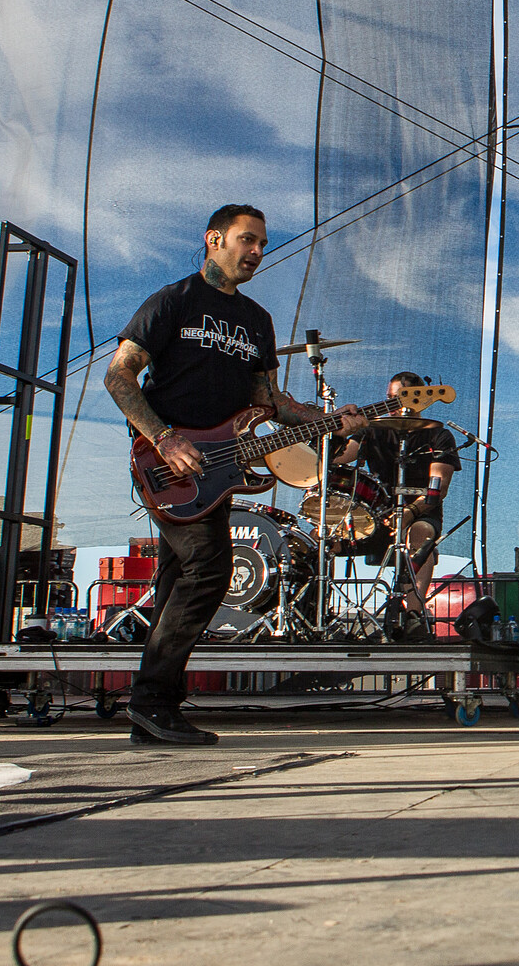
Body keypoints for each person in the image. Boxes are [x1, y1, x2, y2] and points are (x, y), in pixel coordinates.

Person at [105, 204, 367, 745]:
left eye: (262, 244)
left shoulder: (257, 321)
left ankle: (155, 712)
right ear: (214, 239)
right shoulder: (173, 301)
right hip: (169, 461)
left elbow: (269, 402)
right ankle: (152, 701)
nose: (256, 252)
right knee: (207, 570)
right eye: (247, 240)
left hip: (221, 469)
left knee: (181, 578)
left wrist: (330, 420)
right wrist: (164, 437)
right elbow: (120, 375)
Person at [338, 371, 460, 639]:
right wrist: (334, 430)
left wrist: (409, 512)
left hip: (420, 511)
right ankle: (313, 614)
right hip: (373, 510)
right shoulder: (371, 430)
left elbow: (438, 488)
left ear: (419, 400)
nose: (392, 404)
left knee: (420, 535)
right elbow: (342, 457)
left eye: (399, 398)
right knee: (323, 538)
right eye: (389, 398)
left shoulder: (439, 436)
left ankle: (413, 616)